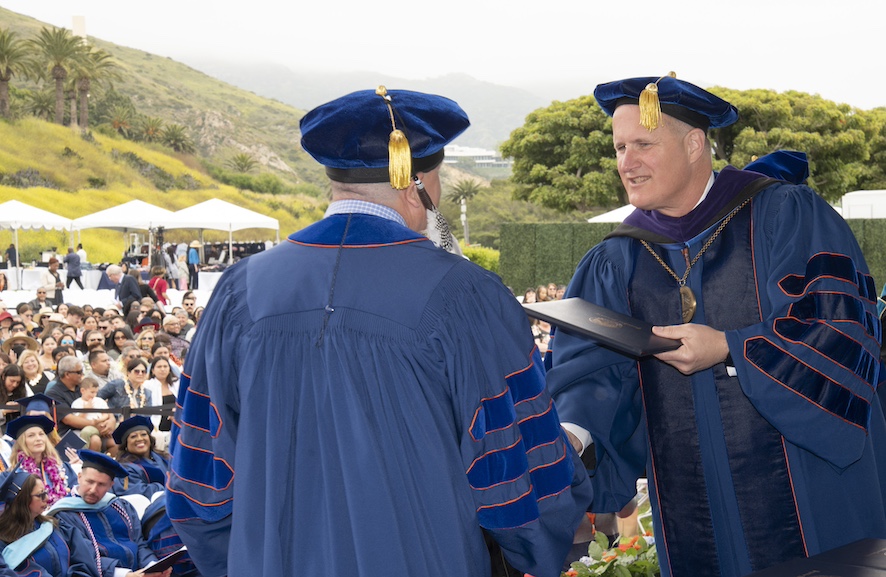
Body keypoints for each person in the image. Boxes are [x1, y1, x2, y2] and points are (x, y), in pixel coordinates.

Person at [167, 87, 592, 577]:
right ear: (419, 185)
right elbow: (514, 474)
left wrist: (243, 559)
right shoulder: (465, 293)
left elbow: (198, 470)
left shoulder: (240, 289)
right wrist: (540, 548)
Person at [546, 74, 886, 577]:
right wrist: (574, 433)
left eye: (643, 144)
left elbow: (839, 332)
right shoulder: (618, 259)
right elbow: (594, 373)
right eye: (619, 148)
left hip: (812, 491)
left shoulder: (784, 216)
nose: (627, 163)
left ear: (693, 144)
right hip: (689, 506)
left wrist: (732, 348)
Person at [47, 450, 172, 577]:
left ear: (111, 485)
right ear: (79, 477)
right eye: (89, 482)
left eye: (101, 484)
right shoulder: (64, 514)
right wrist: (124, 575)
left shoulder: (122, 507)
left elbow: (139, 544)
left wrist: (152, 565)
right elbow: (83, 558)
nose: (93, 490)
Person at [0, 469, 101, 577]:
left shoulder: (56, 527)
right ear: (22, 500)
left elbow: (84, 562)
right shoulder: (3, 540)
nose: (47, 499)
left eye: (46, 492)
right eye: (40, 495)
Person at [6, 415, 70, 505]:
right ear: (22, 442)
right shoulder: (17, 474)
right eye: (31, 436)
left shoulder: (60, 467)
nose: (38, 439)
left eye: (41, 434)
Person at [111, 416, 169, 499]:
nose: (140, 439)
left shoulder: (163, 457)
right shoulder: (124, 469)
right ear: (125, 444)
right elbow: (134, 493)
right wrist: (170, 488)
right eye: (133, 436)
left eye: (143, 434)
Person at [71, 376, 112, 452]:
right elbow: (78, 419)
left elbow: (106, 414)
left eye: (96, 392)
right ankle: (83, 454)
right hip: (89, 427)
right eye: (92, 392)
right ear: (83, 391)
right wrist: (85, 410)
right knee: (86, 432)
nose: (94, 395)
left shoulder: (99, 401)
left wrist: (100, 420)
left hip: (102, 424)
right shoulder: (77, 403)